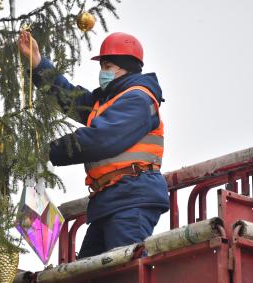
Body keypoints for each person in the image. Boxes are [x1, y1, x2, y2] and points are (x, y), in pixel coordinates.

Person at [18, 31, 169, 258]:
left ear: (124, 66)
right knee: (88, 272)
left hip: (131, 198)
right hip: (111, 200)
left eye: (107, 66)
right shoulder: (108, 100)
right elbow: (70, 97)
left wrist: (48, 151)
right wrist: (39, 65)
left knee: (124, 271)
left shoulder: (138, 99)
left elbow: (101, 140)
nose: (102, 72)